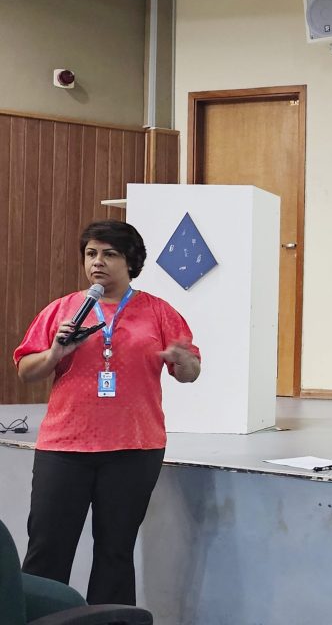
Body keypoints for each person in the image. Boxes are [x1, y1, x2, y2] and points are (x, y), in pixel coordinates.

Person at [12, 219, 201, 606]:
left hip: (134, 448)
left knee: (116, 552)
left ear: (130, 262)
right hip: (64, 448)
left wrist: (183, 361)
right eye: (91, 253)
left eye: (109, 254)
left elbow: (189, 372)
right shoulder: (63, 310)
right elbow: (26, 371)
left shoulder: (159, 312)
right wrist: (54, 353)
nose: (97, 262)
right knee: (47, 551)